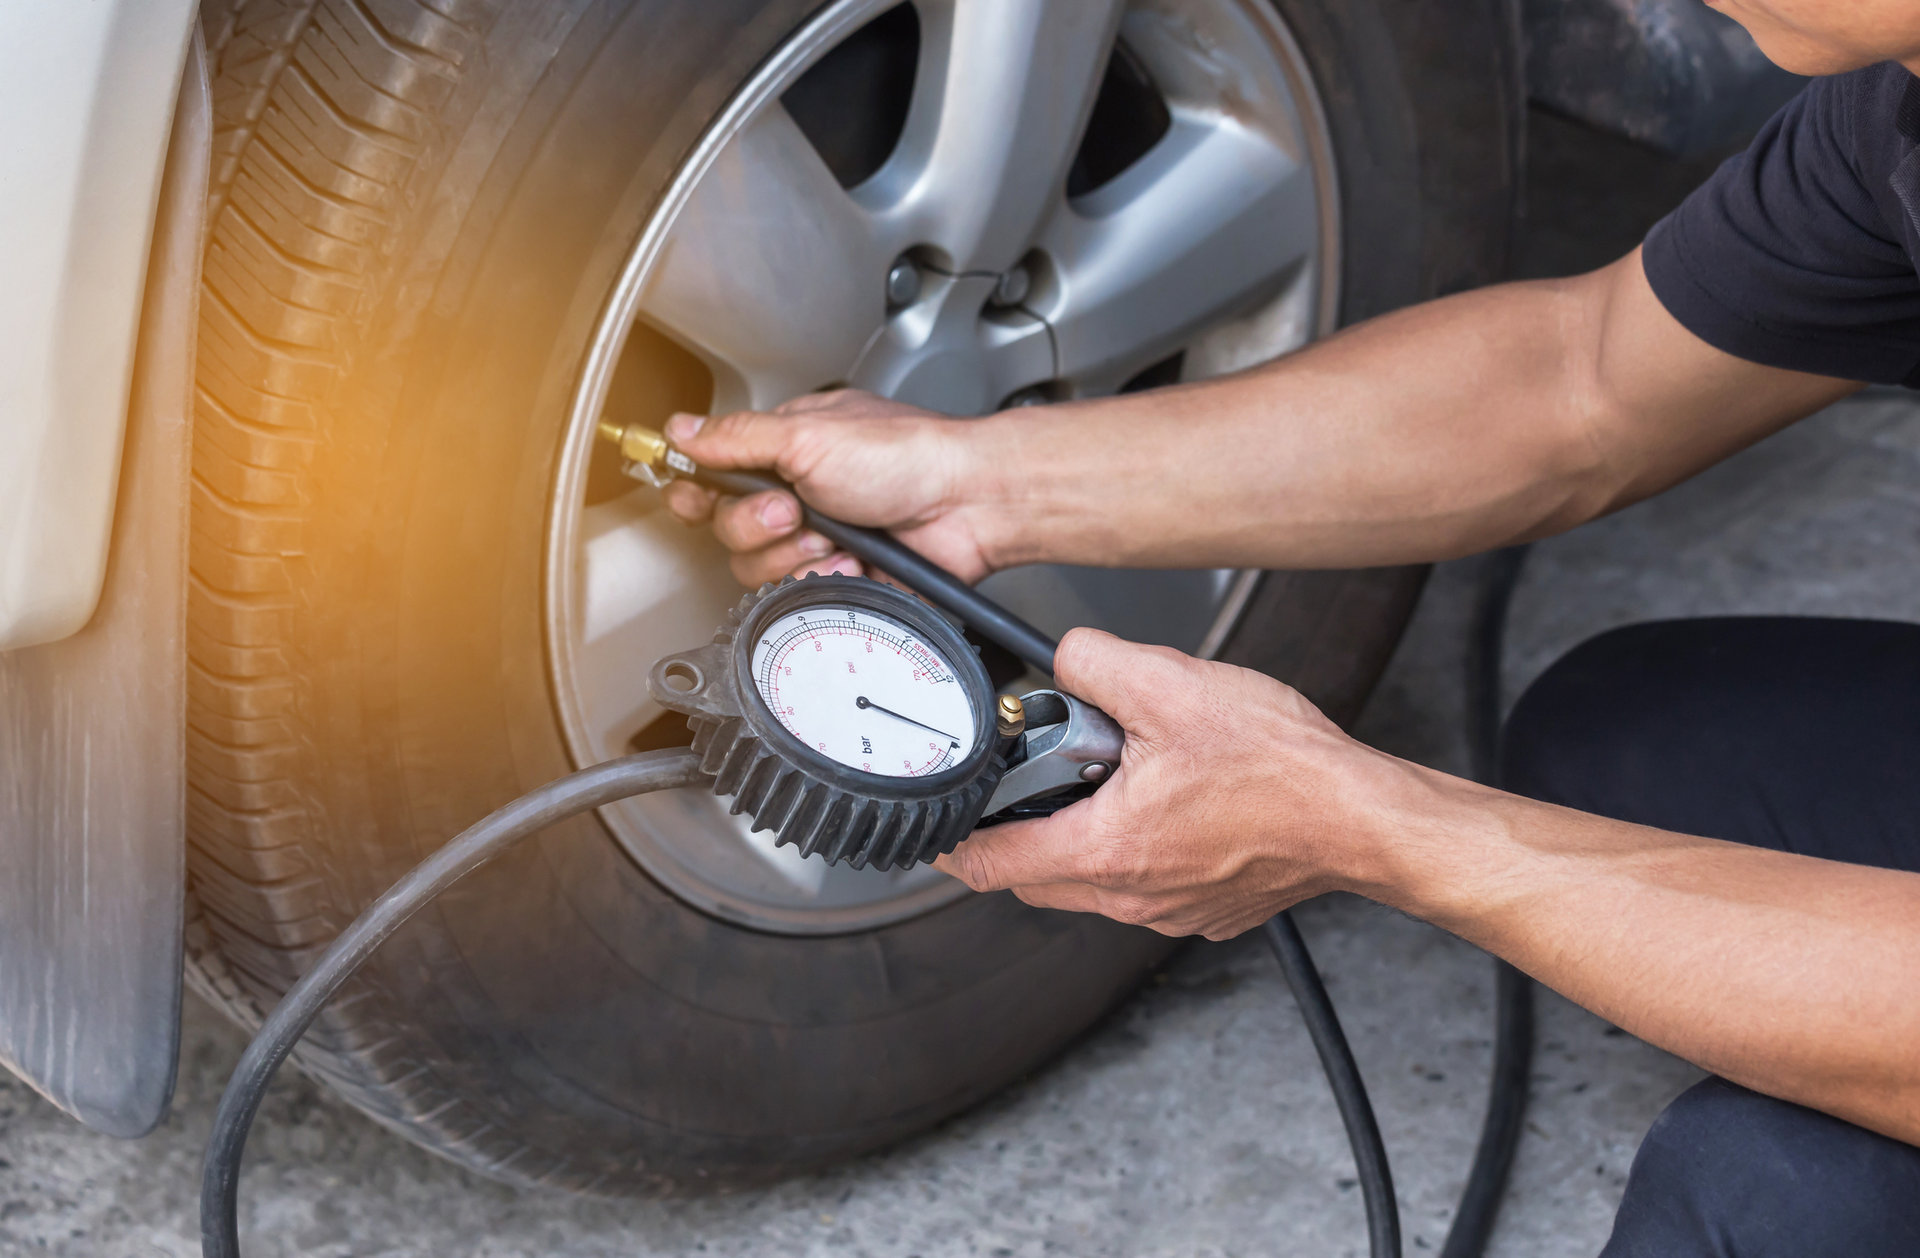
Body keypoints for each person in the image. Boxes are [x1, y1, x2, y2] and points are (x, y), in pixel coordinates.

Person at [660, 2, 1920, 1251]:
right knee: (1637, 749)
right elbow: (1580, 381)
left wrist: (1375, 830)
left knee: (1770, 1198)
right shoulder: (1895, 104)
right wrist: (976, 484)